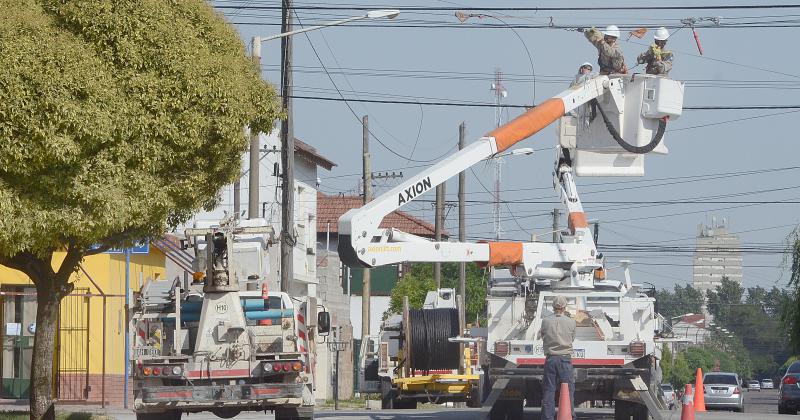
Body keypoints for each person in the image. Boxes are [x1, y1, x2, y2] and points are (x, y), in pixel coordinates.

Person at [538, 295, 577, 420]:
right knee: (567, 389)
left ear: (553, 307)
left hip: (550, 358)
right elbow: (572, 338)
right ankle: (569, 415)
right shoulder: (571, 322)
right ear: (565, 307)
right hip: (565, 359)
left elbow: (542, 335)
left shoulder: (546, 321)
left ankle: (547, 417)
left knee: (549, 390)